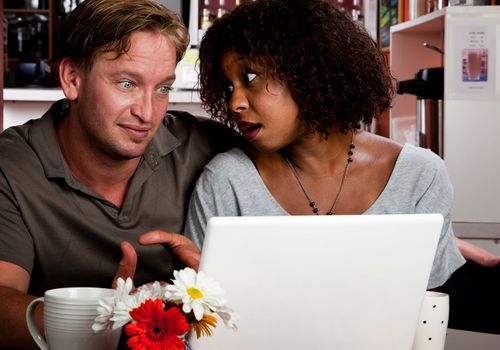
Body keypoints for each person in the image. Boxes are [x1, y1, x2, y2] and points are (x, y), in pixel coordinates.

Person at [0, 0, 239, 348]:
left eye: (162, 88)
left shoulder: (202, 145)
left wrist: (218, 279)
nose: (148, 113)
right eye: (127, 84)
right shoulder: (13, 163)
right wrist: (108, 317)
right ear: (72, 79)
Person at [183, 0, 467, 290]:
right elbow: (199, 315)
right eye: (229, 87)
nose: (235, 103)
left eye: (251, 77)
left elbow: (427, 312)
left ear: (308, 71)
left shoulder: (420, 176)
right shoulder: (226, 181)